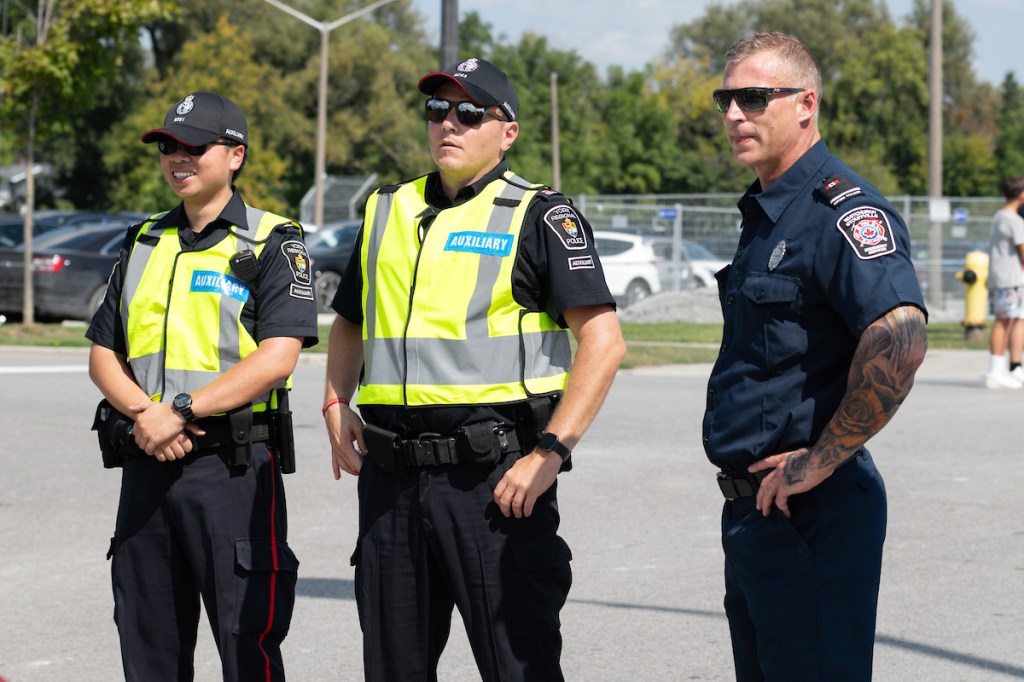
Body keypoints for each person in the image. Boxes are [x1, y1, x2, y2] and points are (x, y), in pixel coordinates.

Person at [322, 57, 625, 681]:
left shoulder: (539, 215)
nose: (448, 124)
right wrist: (334, 401)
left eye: (468, 112)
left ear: (507, 132)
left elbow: (604, 341)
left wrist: (549, 454)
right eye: (437, 109)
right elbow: (350, 318)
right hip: (390, 481)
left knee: (518, 666)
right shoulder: (386, 208)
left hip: (493, 482)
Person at [703, 33, 928, 680]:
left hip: (812, 514)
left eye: (753, 98)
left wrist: (820, 460)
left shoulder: (842, 210)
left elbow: (901, 334)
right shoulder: (769, 213)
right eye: (726, 99)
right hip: (758, 514)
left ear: (806, 104)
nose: (734, 115)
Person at [86, 91, 318, 681]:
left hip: (231, 470)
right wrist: (148, 415)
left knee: (246, 644)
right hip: (147, 460)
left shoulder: (272, 241)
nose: (177, 157)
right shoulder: (143, 240)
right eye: (168, 145)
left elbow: (278, 357)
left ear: (235, 155)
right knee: (148, 647)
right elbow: (103, 353)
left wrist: (182, 410)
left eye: (194, 146)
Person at [985, 175, 1024, 389]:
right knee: (1003, 322)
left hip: (1007, 278)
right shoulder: (1013, 220)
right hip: (1009, 279)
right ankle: (995, 372)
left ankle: (1007, 368)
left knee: (1012, 320)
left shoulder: (1000, 216)